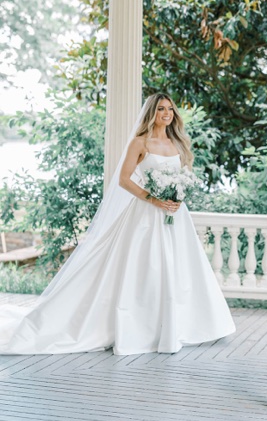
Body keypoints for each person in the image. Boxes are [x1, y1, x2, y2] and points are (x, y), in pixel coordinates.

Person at [0, 93, 235, 355]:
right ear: (151, 113)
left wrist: (177, 198)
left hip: (176, 215)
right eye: (160, 109)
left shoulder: (178, 143)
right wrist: (154, 199)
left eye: (170, 109)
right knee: (146, 268)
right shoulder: (140, 142)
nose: (166, 113)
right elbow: (124, 179)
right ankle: (142, 327)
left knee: (177, 267)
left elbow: (183, 176)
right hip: (146, 215)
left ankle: (177, 326)